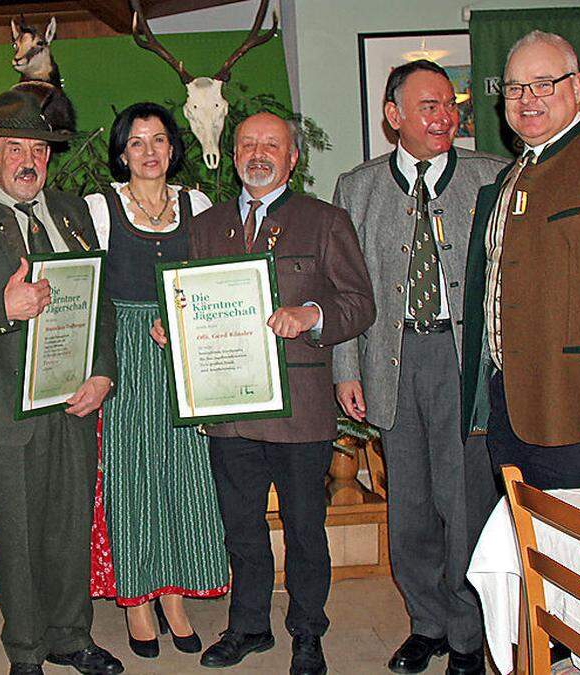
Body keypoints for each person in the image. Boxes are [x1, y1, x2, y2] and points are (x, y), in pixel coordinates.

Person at [153, 112, 375, 675]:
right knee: (242, 528)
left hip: (300, 411)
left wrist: (312, 314)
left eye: (271, 145)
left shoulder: (325, 221)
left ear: (292, 158)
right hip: (230, 410)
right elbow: (193, 303)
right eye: (248, 144)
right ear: (233, 155)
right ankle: (248, 625)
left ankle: (307, 633)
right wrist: (173, 330)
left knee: (304, 529)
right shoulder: (206, 228)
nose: (258, 153)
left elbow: (360, 303)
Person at [0, 89, 123, 675]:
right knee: (16, 537)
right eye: (14, 148)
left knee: (69, 526)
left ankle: (71, 635)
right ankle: (26, 651)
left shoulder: (70, 212)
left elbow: (102, 301)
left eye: (38, 149)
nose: (28, 161)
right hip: (2, 411)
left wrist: (103, 374)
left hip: (72, 399)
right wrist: (4, 306)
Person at [332, 60, 505, 675]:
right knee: (408, 507)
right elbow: (345, 290)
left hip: (466, 366)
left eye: (449, 104)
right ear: (393, 117)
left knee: (464, 503)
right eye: (428, 106)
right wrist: (345, 370)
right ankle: (425, 623)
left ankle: (466, 633)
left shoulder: (491, 176)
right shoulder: (358, 188)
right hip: (390, 362)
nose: (444, 116)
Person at [83, 102, 228, 659]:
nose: (149, 151)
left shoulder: (200, 204)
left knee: (185, 474)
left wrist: (188, 319)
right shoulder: (101, 208)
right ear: (122, 152)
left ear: (174, 147)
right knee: (131, 475)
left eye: (159, 140)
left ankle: (174, 595)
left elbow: (213, 278)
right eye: (138, 142)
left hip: (182, 351)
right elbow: (88, 289)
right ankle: (137, 600)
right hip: (124, 353)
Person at [461, 30, 580, 489]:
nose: (526, 98)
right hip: (510, 411)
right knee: (532, 553)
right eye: (514, 87)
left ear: (577, 87)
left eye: (542, 83)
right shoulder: (511, 176)